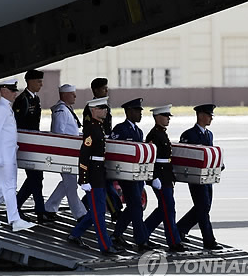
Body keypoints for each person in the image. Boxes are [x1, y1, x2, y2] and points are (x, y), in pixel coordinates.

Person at [0, 79, 36, 232]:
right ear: (3, 90)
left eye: (15, 90)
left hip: (8, 154)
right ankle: (15, 220)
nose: (15, 93)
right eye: (12, 90)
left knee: (4, 187)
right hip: (3, 156)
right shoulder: (0, 108)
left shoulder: (5, 107)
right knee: (9, 187)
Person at [67, 97, 123, 256]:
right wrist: (83, 179)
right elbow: (84, 155)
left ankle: (75, 234)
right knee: (98, 213)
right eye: (102, 108)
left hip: (99, 173)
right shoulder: (91, 128)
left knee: (96, 211)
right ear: (93, 110)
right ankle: (105, 245)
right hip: (93, 176)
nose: (105, 110)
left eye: (105, 108)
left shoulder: (99, 127)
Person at [109, 98, 156, 251]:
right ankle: (141, 240)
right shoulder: (120, 129)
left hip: (137, 176)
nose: (140, 114)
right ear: (129, 112)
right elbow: (114, 151)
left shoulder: (138, 131)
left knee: (133, 206)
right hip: (126, 176)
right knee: (136, 205)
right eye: (137, 111)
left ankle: (117, 234)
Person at [177, 103, 223, 250]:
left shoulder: (209, 134)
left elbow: (210, 154)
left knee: (204, 207)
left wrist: (219, 164)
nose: (211, 119)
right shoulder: (188, 135)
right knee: (202, 208)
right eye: (209, 115)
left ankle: (180, 229)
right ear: (201, 115)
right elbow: (183, 156)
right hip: (196, 178)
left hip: (208, 177)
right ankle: (209, 240)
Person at [13, 69, 55, 224]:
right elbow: (18, 125)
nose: (41, 84)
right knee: (35, 177)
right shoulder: (22, 100)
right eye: (38, 81)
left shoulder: (35, 99)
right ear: (29, 81)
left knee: (36, 177)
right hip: (25, 145)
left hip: (34, 144)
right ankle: (40, 211)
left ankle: (16, 206)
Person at [143, 104, 186, 252]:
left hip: (166, 176)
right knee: (169, 209)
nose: (168, 119)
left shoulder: (162, 133)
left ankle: (143, 232)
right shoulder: (154, 135)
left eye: (169, 116)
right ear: (157, 117)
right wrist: (153, 178)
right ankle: (174, 242)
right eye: (165, 116)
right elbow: (151, 158)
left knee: (164, 209)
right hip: (160, 177)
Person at [44, 84, 88, 221]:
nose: (75, 96)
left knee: (68, 183)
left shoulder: (66, 109)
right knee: (70, 185)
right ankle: (81, 214)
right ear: (64, 95)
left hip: (71, 153)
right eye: (72, 94)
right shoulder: (61, 111)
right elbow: (58, 133)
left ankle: (49, 207)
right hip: (65, 153)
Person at [82, 78, 122, 220]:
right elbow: (89, 130)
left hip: (105, 145)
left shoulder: (105, 105)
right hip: (96, 150)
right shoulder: (91, 108)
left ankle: (83, 205)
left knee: (104, 182)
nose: (106, 91)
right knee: (103, 184)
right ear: (96, 90)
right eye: (104, 88)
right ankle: (115, 210)